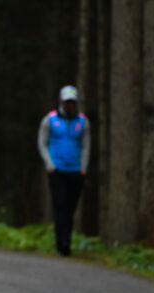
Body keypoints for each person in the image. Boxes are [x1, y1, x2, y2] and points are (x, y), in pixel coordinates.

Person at [38, 86, 91, 256]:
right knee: (60, 205)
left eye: (72, 102)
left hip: (76, 171)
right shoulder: (50, 120)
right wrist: (49, 163)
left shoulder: (83, 122)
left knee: (70, 207)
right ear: (61, 101)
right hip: (57, 170)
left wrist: (83, 167)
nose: (70, 105)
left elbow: (86, 146)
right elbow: (42, 142)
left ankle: (66, 238)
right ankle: (62, 242)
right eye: (67, 101)